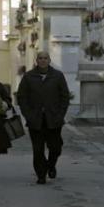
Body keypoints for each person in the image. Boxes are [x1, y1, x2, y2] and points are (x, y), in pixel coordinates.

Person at [17, 51, 70, 184]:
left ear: (49, 60)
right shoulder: (29, 77)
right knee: (38, 149)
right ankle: (41, 175)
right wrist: (28, 115)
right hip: (35, 120)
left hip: (54, 119)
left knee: (55, 148)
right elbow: (22, 97)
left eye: (45, 58)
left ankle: (50, 165)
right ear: (36, 60)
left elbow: (65, 97)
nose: (42, 60)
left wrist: (60, 114)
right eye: (40, 58)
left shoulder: (57, 76)